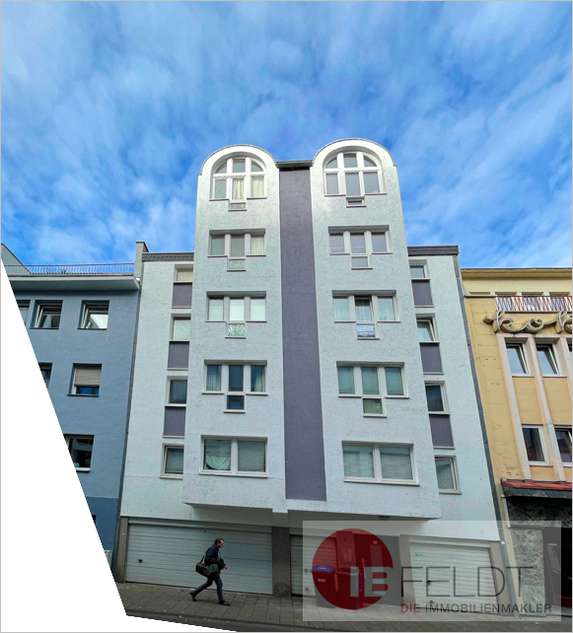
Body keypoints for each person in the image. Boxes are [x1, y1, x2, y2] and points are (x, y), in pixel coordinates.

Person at [190, 537, 230, 605]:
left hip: (213, 570)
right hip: (212, 570)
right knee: (219, 584)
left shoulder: (216, 549)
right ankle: (221, 601)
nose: (223, 545)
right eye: (222, 543)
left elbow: (217, 559)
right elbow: (208, 559)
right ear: (217, 543)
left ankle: (194, 593)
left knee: (209, 583)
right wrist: (218, 562)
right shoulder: (212, 549)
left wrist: (222, 564)